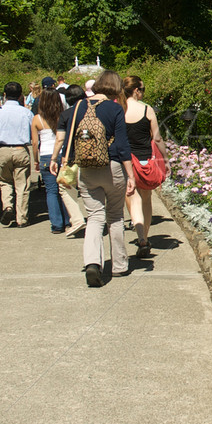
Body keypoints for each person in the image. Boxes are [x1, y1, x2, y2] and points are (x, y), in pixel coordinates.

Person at [50, 70, 136, 286]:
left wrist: (63, 161)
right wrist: (131, 174)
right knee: (115, 216)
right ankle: (119, 265)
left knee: (95, 217)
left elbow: (70, 138)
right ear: (116, 87)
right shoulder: (115, 108)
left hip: (87, 168)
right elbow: (123, 145)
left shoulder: (78, 107)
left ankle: (92, 263)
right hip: (113, 166)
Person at [122, 75, 170, 258]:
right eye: (142, 89)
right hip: (145, 160)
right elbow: (157, 138)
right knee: (146, 198)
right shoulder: (147, 110)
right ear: (136, 90)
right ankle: (146, 236)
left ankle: (140, 236)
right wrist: (165, 160)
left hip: (127, 161)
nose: (143, 92)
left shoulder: (120, 110)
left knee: (132, 198)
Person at [0, 81, 34, 227]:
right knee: (22, 185)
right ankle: (22, 218)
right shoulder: (26, 113)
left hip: (3, 150)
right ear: (20, 96)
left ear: (4, 95)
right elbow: (33, 133)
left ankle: (8, 206)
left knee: (5, 181)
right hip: (21, 149)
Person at [31, 89, 70, 234]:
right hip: (62, 154)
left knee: (51, 191)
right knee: (64, 189)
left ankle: (56, 224)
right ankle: (68, 220)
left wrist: (36, 161)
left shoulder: (37, 119)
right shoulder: (64, 116)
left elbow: (35, 143)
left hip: (46, 156)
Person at [55, 84, 89, 238]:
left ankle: (76, 219)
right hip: (94, 156)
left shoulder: (66, 114)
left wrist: (54, 158)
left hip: (74, 157)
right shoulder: (93, 112)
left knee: (65, 186)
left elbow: (60, 138)